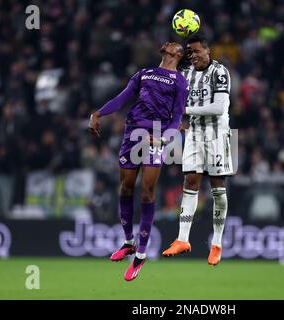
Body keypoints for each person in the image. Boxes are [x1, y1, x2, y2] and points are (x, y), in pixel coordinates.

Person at [88, 42, 188, 281]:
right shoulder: (144, 73)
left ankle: (141, 254)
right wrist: (98, 113)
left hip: (155, 134)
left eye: (174, 44)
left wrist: (164, 139)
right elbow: (122, 98)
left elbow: (177, 117)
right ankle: (128, 242)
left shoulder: (180, 81)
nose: (168, 43)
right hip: (132, 130)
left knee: (147, 193)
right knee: (126, 187)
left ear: (178, 54)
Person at [162, 35, 233, 266]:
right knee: (190, 182)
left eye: (197, 51)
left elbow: (219, 107)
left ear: (208, 51)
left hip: (216, 135)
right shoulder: (186, 74)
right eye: (190, 52)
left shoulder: (219, 72)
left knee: (217, 189)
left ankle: (217, 243)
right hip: (193, 134)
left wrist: (186, 110)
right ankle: (183, 239)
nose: (193, 55)